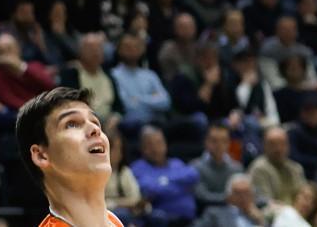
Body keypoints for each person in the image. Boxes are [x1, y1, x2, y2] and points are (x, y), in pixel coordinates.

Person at [15, 87, 123, 226]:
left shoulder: (114, 221)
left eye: (95, 122)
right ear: (41, 156)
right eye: (72, 124)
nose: (95, 129)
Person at [129, 126, 198, 225]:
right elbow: (149, 189)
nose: (155, 148)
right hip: (161, 220)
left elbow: (193, 175)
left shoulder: (176, 163)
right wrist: (180, 186)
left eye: (159, 142)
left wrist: (164, 181)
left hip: (190, 220)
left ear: (165, 144)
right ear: (142, 148)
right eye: (150, 144)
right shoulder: (138, 167)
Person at [249, 126, 308, 206]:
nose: (278, 149)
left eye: (282, 144)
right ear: (264, 146)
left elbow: (305, 196)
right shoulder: (259, 169)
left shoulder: (296, 168)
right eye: (273, 144)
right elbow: (265, 203)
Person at [192, 123, 244, 208]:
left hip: (234, 212)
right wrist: (228, 198)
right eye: (214, 141)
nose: (219, 145)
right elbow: (201, 196)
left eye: (224, 141)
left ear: (229, 143)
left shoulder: (236, 167)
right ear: (206, 142)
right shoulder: (195, 167)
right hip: (207, 212)